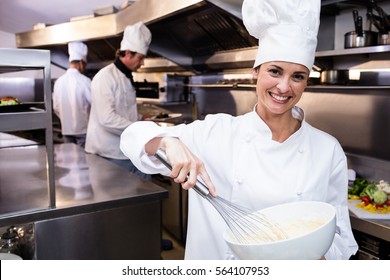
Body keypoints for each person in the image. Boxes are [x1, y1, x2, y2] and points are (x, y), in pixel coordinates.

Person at [120, 0, 358, 260]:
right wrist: (168, 142)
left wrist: (316, 257)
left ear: (306, 82)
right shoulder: (217, 132)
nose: (283, 87)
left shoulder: (327, 150)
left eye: (297, 76)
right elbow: (132, 137)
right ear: (255, 72)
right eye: (275, 71)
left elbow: (341, 238)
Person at [85, 22, 152, 180]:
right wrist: (138, 128)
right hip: (108, 152)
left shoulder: (126, 76)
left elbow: (124, 109)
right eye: (140, 58)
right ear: (128, 53)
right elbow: (107, 118)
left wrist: (140, 118)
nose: (142, 63)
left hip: (125, 150)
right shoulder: (105, 77)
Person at [53, 41, 91, 148]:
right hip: (84, 130)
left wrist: (66, 119)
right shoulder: (85, 81)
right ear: (81, 63)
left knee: (71, 160)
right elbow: (95, 104)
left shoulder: (59, 81)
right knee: (85, 160)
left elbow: (56, 107)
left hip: (66, 130)